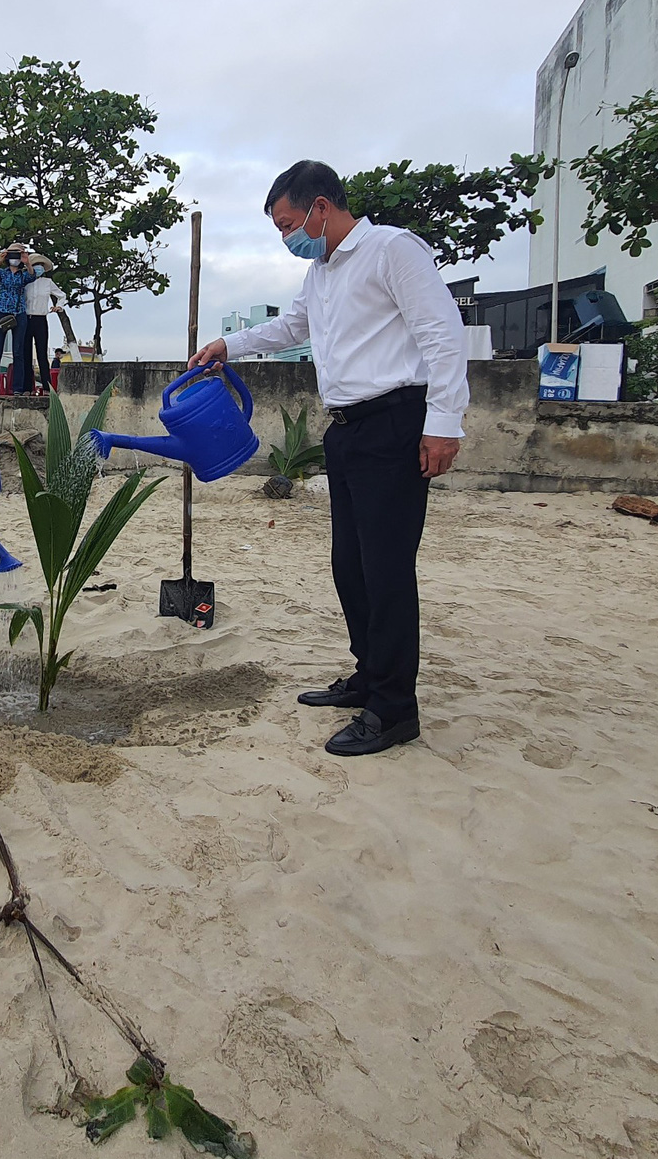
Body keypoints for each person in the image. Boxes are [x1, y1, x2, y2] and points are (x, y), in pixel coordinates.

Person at [190, 160, 468, 758]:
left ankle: (394, 708)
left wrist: (444, 424)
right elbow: (291, 327)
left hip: (395, 422)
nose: (287, 237)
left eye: (289, 222)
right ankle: (369, 677)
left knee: (387, 570)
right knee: (351, 564)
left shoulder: (392, 250)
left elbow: (442, 334)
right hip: (346, 431)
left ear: (320, 205)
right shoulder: (321, 271)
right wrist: (227, 345)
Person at [0, 243, 45, 395]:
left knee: (18, 352)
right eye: (12, 255)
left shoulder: (23, 274)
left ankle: (17, 388)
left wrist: (27, 261)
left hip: (19, 313)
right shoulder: (2, 273)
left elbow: (32, 276)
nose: (14, 258)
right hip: (1, 313)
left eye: (17, 255)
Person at [21, 250, 61, 393]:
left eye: (40, 265)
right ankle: (27, 387)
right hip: (26, 319)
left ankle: (46, 387)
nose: (38, 267)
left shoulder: (48, 283)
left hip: (41, 319)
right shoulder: (26, 280)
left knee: (42, 354)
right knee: (26, 353)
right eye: (35, 265)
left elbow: (62, 295)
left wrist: (58, 306)